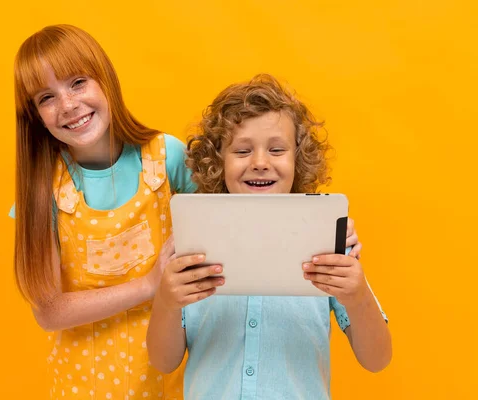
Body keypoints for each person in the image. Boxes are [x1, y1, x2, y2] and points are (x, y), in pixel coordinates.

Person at [146, 74, 392, 400]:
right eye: (242, 150)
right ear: (218, 160)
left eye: (277, 149)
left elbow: (377, 359)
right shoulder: (195, 239)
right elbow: (164, 362)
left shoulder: (326, 238)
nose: (260, 163)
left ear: (298, 158)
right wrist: (165, 299)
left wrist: (358, 296)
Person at [11, 24, 196, 399]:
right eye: (46, 97)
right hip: (81, 387)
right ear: (35, 117)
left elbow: (230, 233)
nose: (68, 105)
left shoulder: (167, 157)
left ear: (106, 80)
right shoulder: (42, 188)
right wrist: (149, 284)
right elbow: (48, 311)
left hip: (171, 379)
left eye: (78, 82)